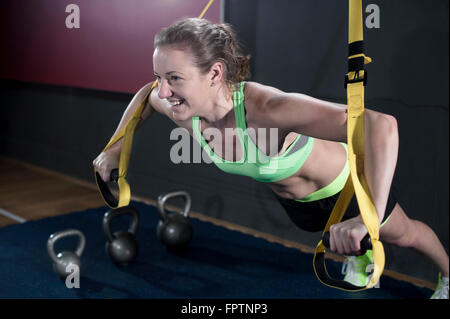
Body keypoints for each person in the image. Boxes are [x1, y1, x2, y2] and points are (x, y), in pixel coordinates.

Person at [93, 17, 449, 298]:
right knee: (342, 240)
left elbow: (381, 125)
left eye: (174, 78)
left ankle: (447, 274)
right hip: (300, 206)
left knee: (405, 236)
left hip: (348, 191)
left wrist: (368, 215)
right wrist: (115, 146)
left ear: (215, 73)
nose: (164, 90)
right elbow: (145, 96)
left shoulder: (266, 110)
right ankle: (361, 253)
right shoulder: (182, 108)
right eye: (160, 77)